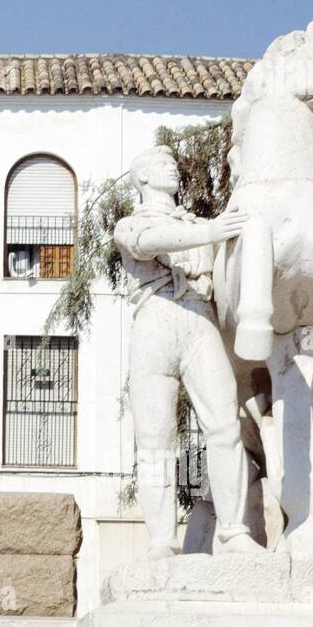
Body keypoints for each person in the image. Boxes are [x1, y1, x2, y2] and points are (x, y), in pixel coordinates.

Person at [114, 145, 263, 558]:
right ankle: (162, 541)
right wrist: (212, 233)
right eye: (163, 165)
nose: (173, 169)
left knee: (225, 428)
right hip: (156, 321)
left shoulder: (201, 224)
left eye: (174, 164)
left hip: (200, 318)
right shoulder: (130, 224)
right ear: (142, 177)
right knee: (155, 441)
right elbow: (151, 243)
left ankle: (234, 531)